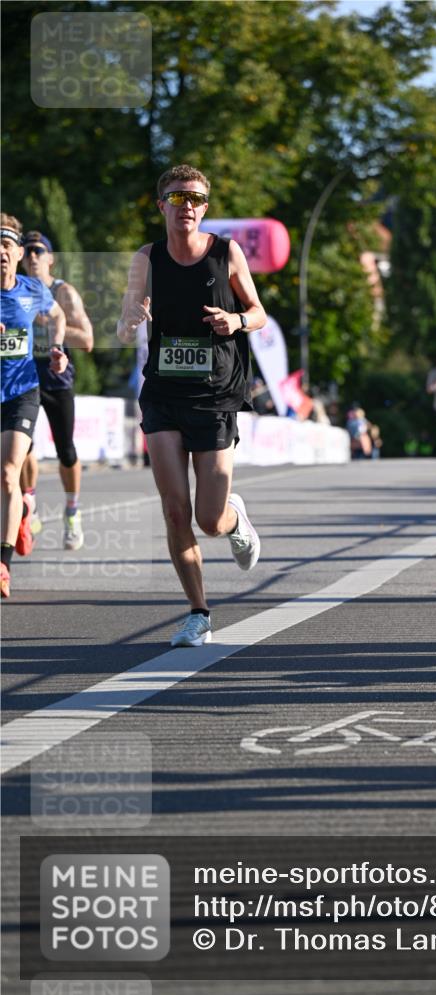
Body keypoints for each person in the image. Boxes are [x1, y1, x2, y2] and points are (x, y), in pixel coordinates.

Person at [117, 165, 266, 646]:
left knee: (208, 519)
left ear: (205, 207)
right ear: (161, 205)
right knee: (175, 512)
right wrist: (133, 319)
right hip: (163, 394)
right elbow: (121, 329)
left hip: (215, 394)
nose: (188, 206)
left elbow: (260, 313)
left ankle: (233, 518)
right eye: (178, 197)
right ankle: (199, 613)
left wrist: (237, 320)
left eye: (197, 199)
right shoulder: (147, 258)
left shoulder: (226, 253)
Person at [1, 214, 67, 599]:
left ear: (19, 253)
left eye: (7, 245)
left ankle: (3, 564)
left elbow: (56, 314)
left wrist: (57, 347)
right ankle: (22, 513)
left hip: (22, 391)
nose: (1, 253)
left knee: (9, 473)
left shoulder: (32, 288)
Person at [20, 231, 93, 549]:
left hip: (56, 378)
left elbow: (88, 340)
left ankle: (72, 512)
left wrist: (52, 327)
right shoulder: (14, 290)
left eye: (39, 251)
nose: (32, 256)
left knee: (66, 451)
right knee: (21, 447)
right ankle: (30, 505)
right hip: (23, 378)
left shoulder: (63, 292)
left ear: (50, 258)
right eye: (28, 251)